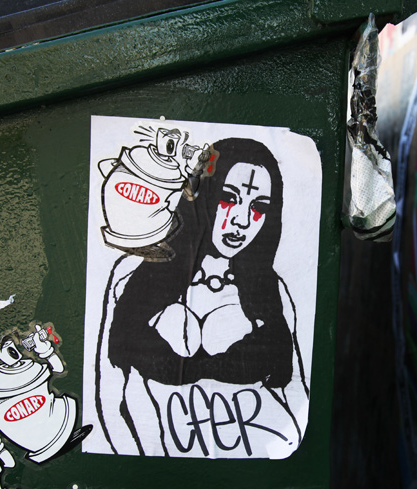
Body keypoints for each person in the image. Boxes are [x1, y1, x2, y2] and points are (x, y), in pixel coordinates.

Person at [93, 138, 307, 457]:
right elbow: (109, 391)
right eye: (229, 198)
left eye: (259, 207)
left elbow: (295, 394)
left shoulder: (271, 290)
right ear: (204, 192)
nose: (242, 220)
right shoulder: (132, 273)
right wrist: (138, 467)